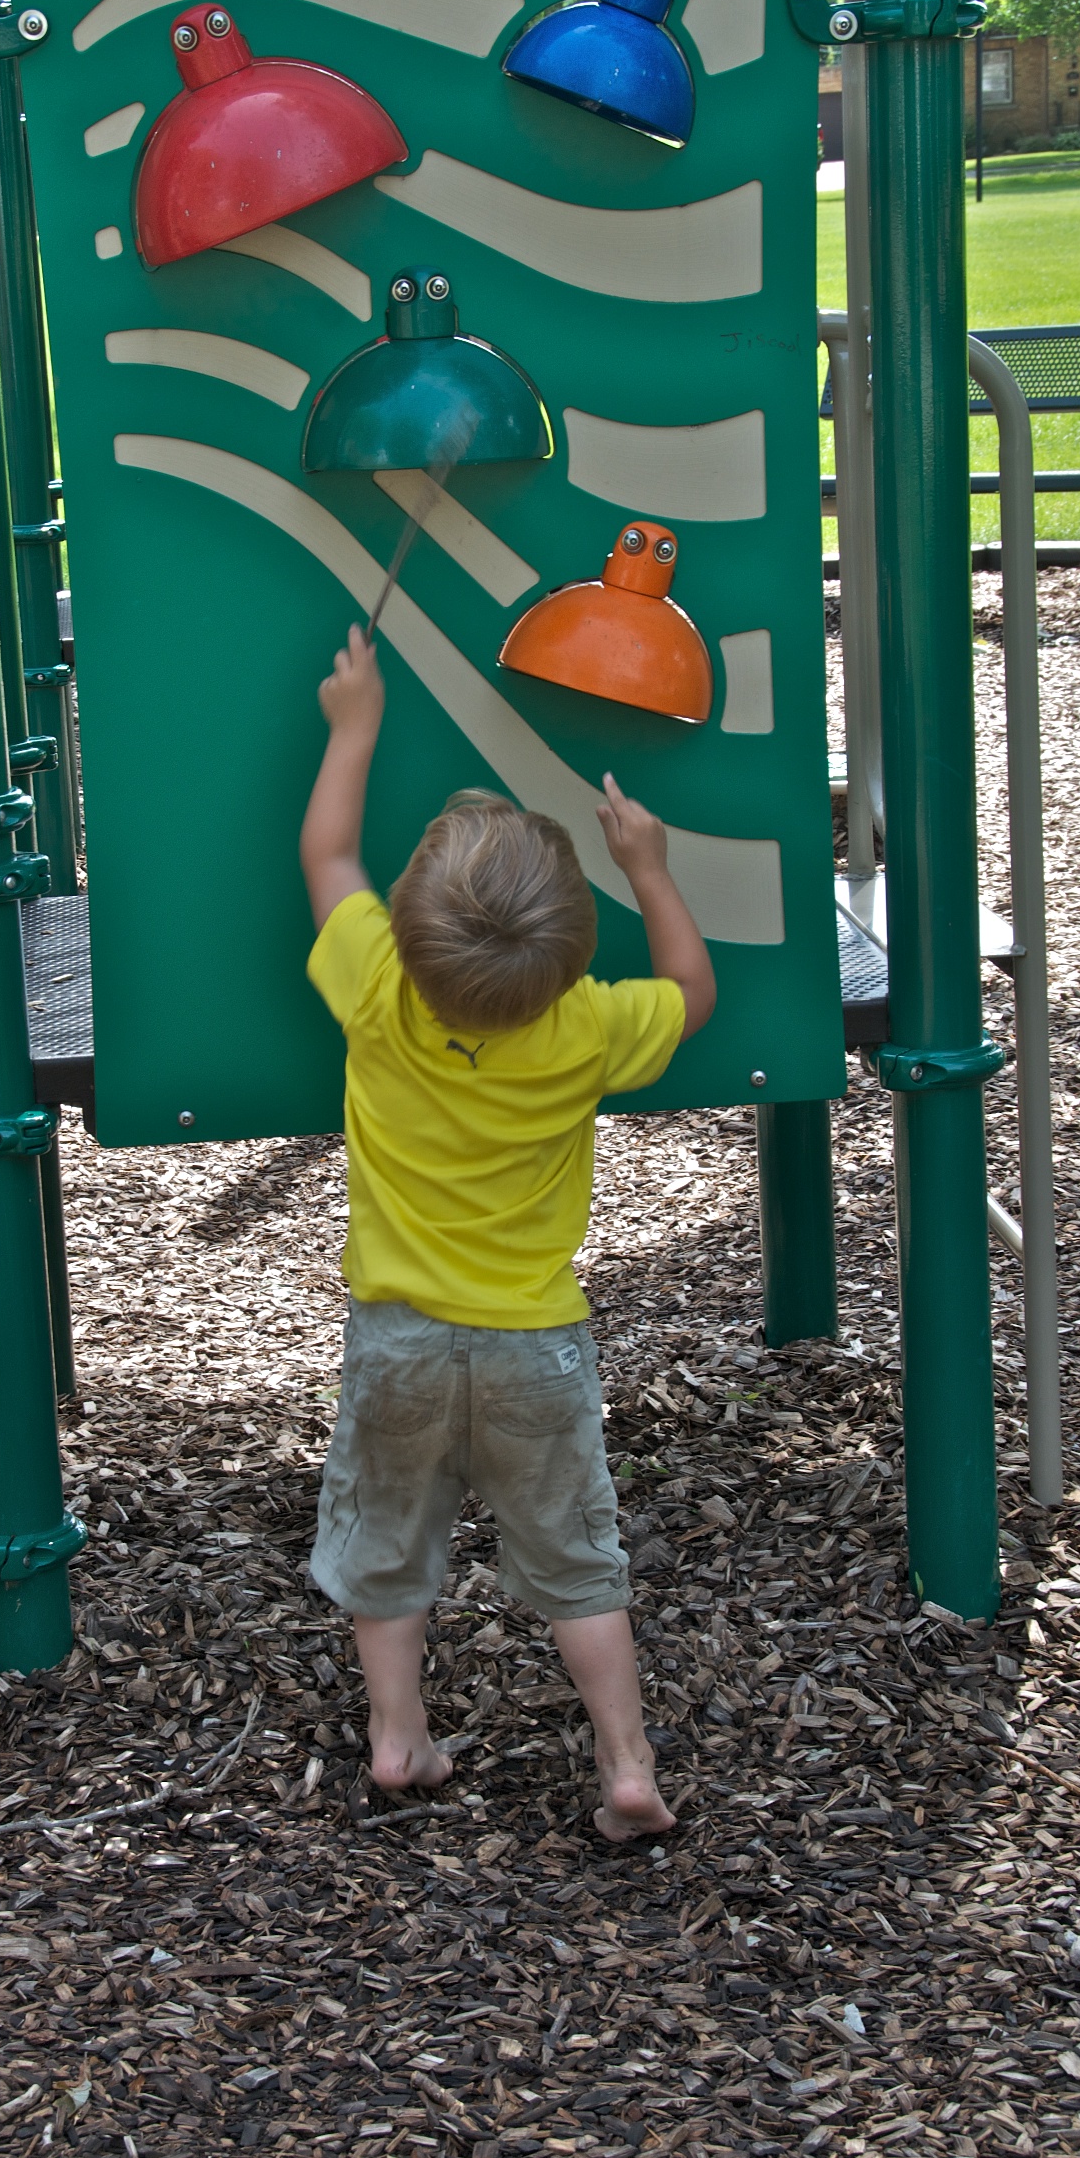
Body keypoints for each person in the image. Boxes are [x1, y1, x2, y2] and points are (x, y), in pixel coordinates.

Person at [299, 624, 716, 1841]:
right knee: (577, 1562)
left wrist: (356, 723)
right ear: (567, 951)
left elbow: (328, 852)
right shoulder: (584, 1027)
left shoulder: (378, 990)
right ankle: (626, 1761)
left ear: (417, 935)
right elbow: (694, 996)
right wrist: (648, 865)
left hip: (398, 1342)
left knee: (387, 1546)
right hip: (535, 1341)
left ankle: (397, 1735)